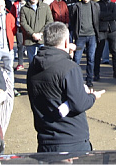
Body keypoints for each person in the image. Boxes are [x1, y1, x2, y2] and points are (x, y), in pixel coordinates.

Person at [27, 22, 104, 152]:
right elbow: (79, 104)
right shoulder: (69, 68)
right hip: (71, 140)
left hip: (45, 139)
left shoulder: (33, 66)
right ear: (66, 42)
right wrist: (91, 96)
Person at [69, 0, 100, 88]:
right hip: (80, 37)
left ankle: (89, 79)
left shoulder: (95, 6)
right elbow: (72, 21)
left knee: (91, 59)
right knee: (77, 59)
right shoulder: (77, 6)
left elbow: (97, 19)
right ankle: (76, 80)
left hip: (92, 36)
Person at [20, 0, 54, 66]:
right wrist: (33, 34)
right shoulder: (24, 9)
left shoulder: (45, 7)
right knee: (32, 63)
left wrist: (40, 33)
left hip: (42, 39)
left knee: (44, 62)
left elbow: (49, 21)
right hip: (30, 40)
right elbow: (23, 23)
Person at [95, 0, 116, 80]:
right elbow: (98, 15)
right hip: (101, 30)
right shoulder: (97, 5)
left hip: (112, 30)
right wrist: (106, 16)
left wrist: (104, 17)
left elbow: (114, 16)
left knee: (114, 51)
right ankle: (96, 74)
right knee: (98, 52)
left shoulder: (113, 5)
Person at [10, 0, 27, 70]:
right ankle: (20, 63)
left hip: (28, 27)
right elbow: (12, 16)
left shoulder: (28, 4)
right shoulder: (15, 5)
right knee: (20, 45)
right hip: (19, 27)